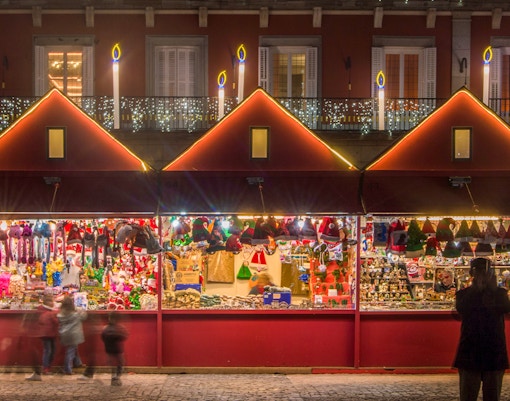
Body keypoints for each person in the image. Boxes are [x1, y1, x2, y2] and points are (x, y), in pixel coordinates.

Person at [453, 257, 510, 401]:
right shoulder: (464, 294)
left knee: (492, 395)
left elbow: (505, 308)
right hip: (471, 349)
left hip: (493, 350)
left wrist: (492, 290)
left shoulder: (499, 293)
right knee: (468, 395)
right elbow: (462, 308)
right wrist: (475, 290)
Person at [57, 295, 87, 375]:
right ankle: (68, 369)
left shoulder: (60, 314)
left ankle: (78, 363)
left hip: (64, 334)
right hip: (73, 334)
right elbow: (84, 316)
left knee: (74, 348)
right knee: (70, 351)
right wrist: (80, 309)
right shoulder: (76, 314)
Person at [101, 311, 128, 386]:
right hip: (118, 349)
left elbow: (102, 337)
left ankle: (114, 377)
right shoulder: (120, 328)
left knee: (112, 364)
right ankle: (116, 377)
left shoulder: (105, 328)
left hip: (109, 349)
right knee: (120, 363)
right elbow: (124, 336)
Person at [37, 293, 59, 375]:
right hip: (48, 334)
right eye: (52, 301)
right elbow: (56, 322)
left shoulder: (42, 310)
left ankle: (47, 367)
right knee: (49, 351)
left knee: (50, 351)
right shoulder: (50, 312)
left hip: (48, 334)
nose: (53, 303)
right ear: (49, 302)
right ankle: (46, 368)